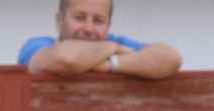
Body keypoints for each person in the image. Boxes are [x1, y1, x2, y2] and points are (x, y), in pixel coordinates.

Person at [19, 0, 183, 79]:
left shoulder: (113, 41)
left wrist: (111, 64)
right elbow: (65, 59)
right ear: (59, 20)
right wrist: (113, 49)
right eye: (79, 18)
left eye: (98, 21)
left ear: (108, 26)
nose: (89, 28)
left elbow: (171, 59)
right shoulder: (36, 46)